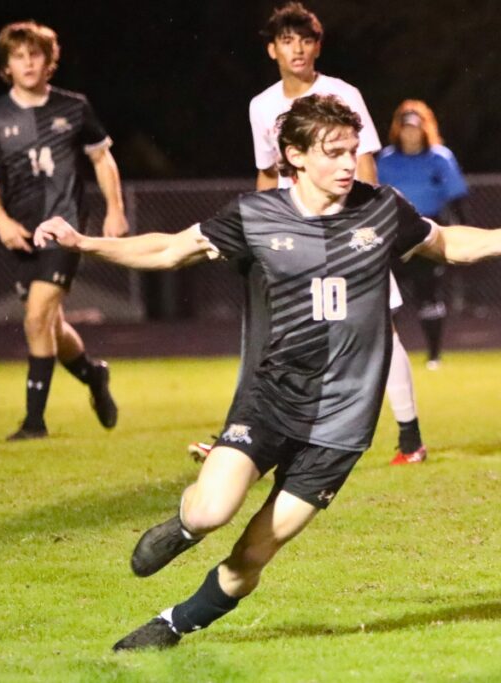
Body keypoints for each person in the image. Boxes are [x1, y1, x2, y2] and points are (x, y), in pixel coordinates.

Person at [34, 94, 501, 651]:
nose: (349, 163)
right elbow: (168, 251)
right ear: (295, 155)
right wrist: (85, 243)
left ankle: (173, 624)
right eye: (333, 152)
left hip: (343, 423)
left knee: (255, 551)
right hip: (269, 400)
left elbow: (445, 241)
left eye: (353, 150)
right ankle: (183, 527)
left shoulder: (381, 209)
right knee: (211, 512)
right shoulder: (255, 216)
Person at [190, 1, 428, 465]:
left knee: (380, 330)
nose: (297, 49)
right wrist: (257, 238)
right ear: (271, 50)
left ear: (318, 46)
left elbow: (363, 165)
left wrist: (368, 227)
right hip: (290, 240)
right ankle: (239, 437)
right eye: (287, 40)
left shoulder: (342, 93)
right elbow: (265, 176)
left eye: (305, 40)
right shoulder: (261, 106)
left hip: (344, 231)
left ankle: (409, 438)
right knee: (272, 337)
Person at [0, 20, 125, 441]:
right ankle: (93, 375)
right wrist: (0, 219)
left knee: (35, 319)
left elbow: (103, 160)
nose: (28, 62)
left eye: (36, 54)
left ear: (49, 62)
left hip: (63, 227)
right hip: (21, 232)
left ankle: (34, 422)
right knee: (52, 324)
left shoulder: (73, 107)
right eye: (19, 56)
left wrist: (115, 211)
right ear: (6, 66)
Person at [378, 100, 470, 369]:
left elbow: (457, 200)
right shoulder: (385, 159)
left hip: (427, 231)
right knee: (386, 297)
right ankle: (388, 355)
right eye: (405, 128)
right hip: (392, 234)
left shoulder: (439, 157)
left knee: (428, 294)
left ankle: (433, 355)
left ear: (424, 130)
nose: (410, 133)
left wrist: (463, 232)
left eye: (415, 128)